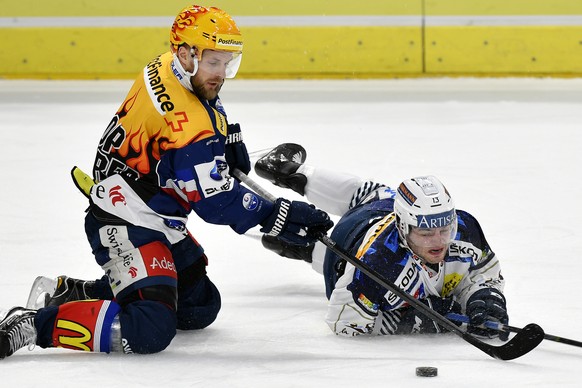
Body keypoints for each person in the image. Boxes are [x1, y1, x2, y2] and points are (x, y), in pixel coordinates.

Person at [0, 6, 332, 360]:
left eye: (227, 63)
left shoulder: (164, 65)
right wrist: (277, 214)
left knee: (199, 306)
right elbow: (215, 202)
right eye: (213, 62)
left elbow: (193, 117)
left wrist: (225, 138)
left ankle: (73, 294)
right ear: (186, 54)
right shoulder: (187, 123)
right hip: (124, 221)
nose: (221, 74)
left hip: (150, 209)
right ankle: (36, 324)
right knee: (149, 329)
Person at [254, 144, 509, 338]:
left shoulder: (465, 230)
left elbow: (484, 275)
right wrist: (413, 321)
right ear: (403, 226)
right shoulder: (377, 262)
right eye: (425, 232)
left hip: (365, 229)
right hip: (364, 226)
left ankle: (305, 249)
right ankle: (289, 170)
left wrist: (485, 296)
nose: (439, 241)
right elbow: (344, 323)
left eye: (445, 229)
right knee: (363, 204)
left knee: (343, 246)